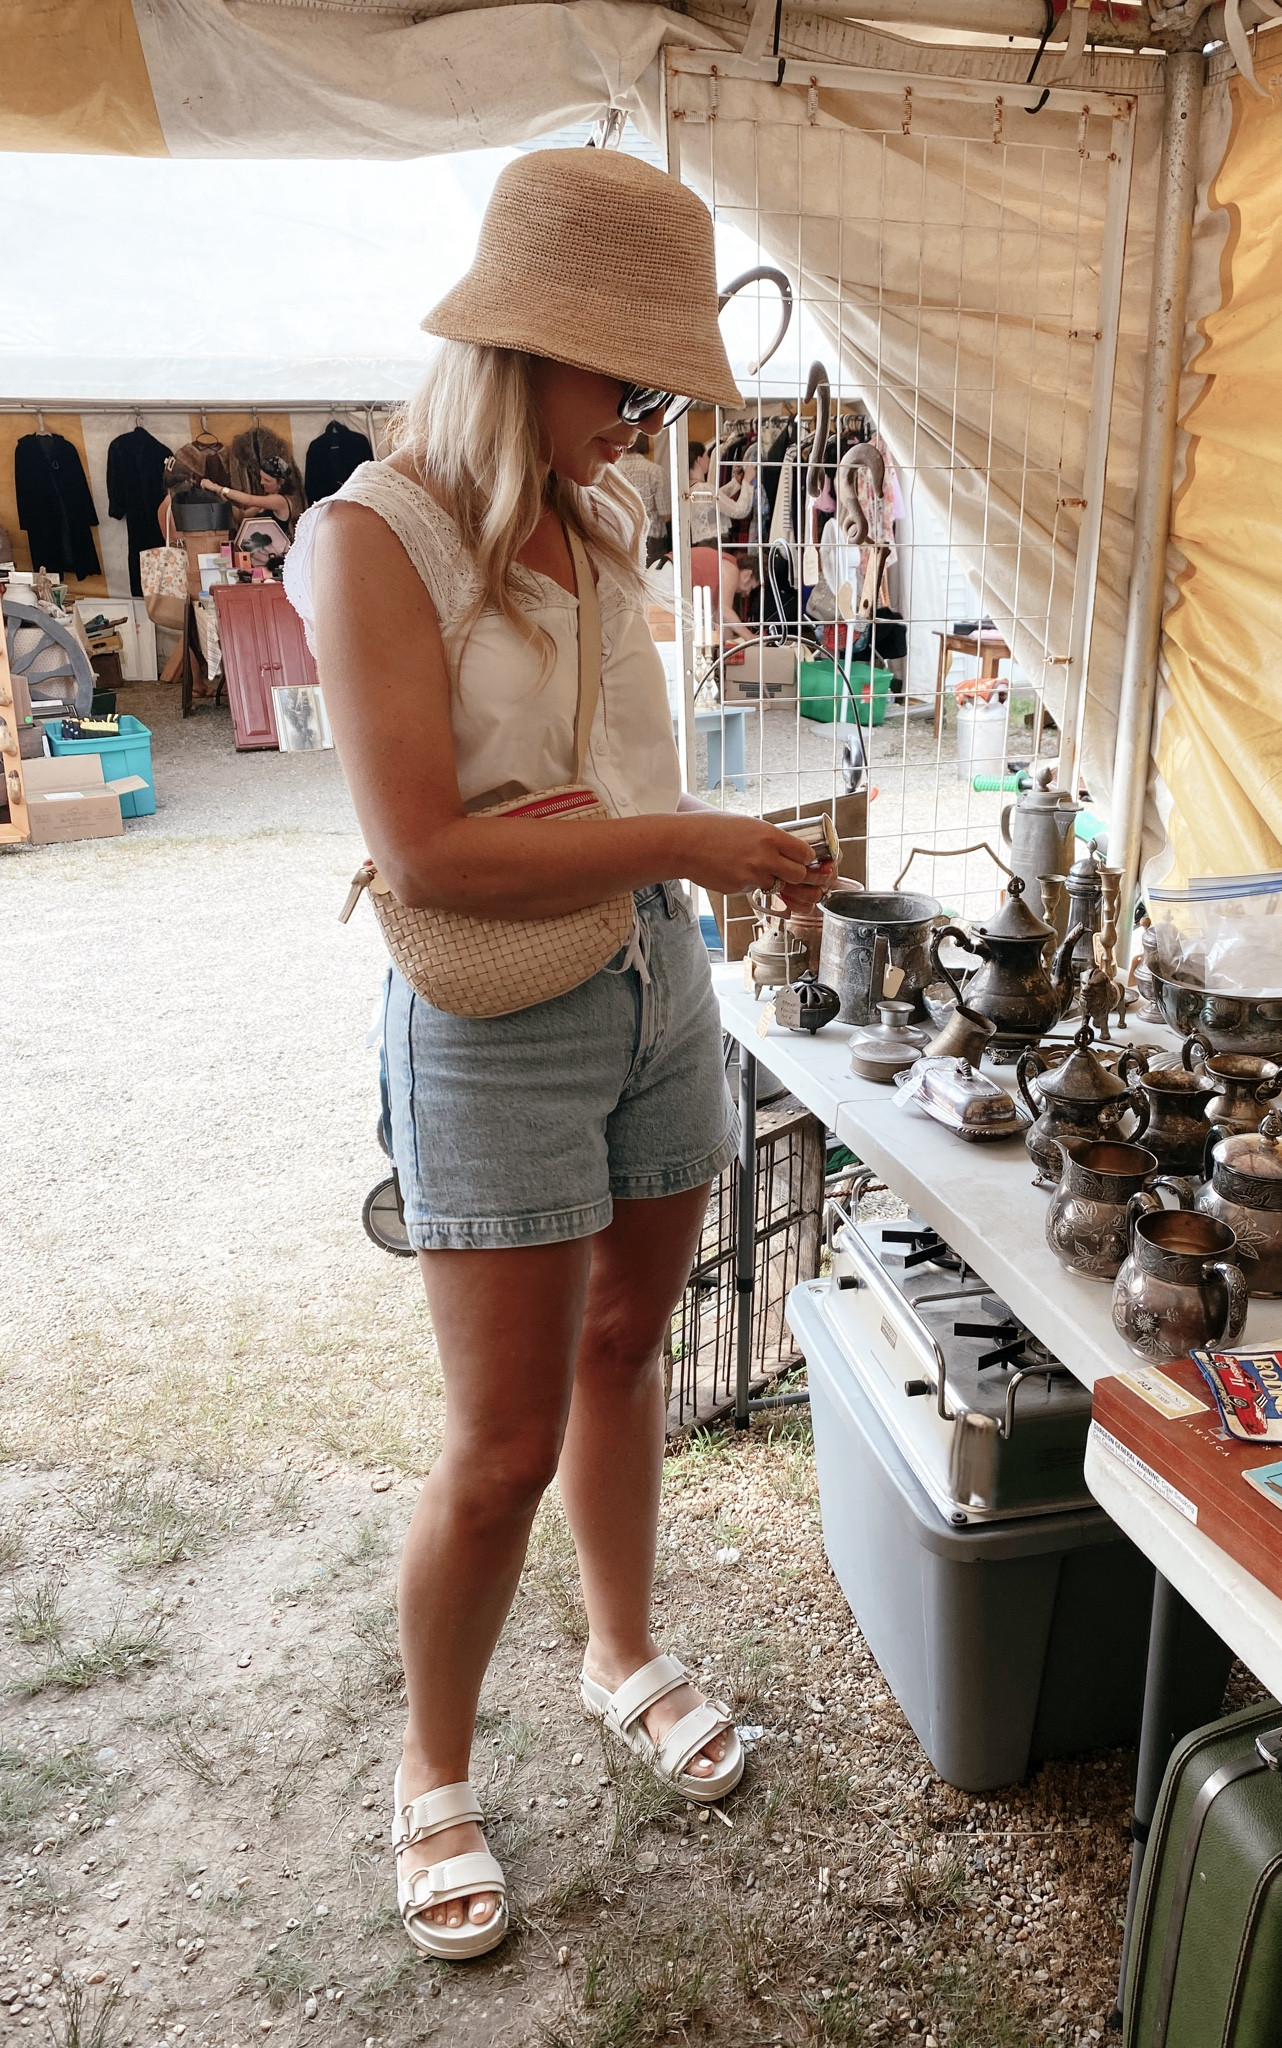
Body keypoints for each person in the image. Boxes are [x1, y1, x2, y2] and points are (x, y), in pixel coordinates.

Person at [283, 149, 830, 1965]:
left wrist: (705, 854)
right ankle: (430, 1770)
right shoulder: (371, 536)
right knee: (500, 1439)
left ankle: (617, 1649)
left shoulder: (594, 530)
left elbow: (614, 788)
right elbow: (432, 847)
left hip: (654, 984)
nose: (645, 422)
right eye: (627, 385)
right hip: (492, 1018)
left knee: (628, 1344)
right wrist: (687, 839)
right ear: (529, 351)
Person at [687, 443, 756, 644]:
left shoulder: (691, 489)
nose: (710, 460)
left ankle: (718, 644)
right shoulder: (704, 489)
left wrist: (736, 483)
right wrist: (748, 484)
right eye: (707, 456)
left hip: (701, 545)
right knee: (722, 603)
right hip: (716, 545)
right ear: (699, 459)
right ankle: (731, 643)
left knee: (710, 603)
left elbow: (718, 497)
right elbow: (739, 510)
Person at [615, 432, 670, 565]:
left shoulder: (611, 470)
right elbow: (666, 515)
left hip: (619, 535)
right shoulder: (655, 471)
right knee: (651, 580)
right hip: (651, 538)